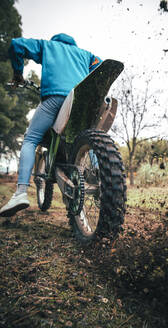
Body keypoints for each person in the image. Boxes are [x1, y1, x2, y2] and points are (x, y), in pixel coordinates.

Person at [0, 33, 102, 217]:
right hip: (80, 102)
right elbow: (100, 66)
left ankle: (21, 192)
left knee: (31, 138)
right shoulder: (85, 54)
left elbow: (16, 45)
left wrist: (18, 74)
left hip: (55, 99)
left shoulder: (47, 46)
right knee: (90, 136)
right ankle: (100, 177)